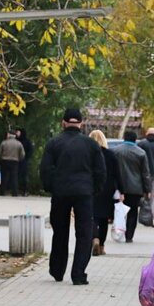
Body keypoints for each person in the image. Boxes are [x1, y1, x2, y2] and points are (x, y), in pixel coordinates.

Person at [40, 107, 106, 285]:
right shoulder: (91, 144)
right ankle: (78, 274)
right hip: (84, 193)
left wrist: (51, 187)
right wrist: (94, 190)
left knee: (60, 231)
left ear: (63, 123)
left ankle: (57, 270)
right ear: (81, 123)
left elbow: (45, 169)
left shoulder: (54, 143)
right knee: (84, 234)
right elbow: (100, 171)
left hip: (60, 193)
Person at [111, 130, 152, 242]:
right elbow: (145, 173)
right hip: (135, 187)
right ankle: (129, 236)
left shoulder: (115, 151)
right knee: (132, 212)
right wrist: (148, 189)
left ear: (124, 138)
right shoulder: (141, 153)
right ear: (135, 139)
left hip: (118, 187)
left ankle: (118, 231)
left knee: (119, 210)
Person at [89, 129, 119, 256]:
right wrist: (121, 190)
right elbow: (117, 174)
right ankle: (101, 245)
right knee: (104, 219)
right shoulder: (111, 155)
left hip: (91, 188)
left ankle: (94, 238)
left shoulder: (88, 154)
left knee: (93, 217)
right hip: (107, 190)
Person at [0, 130, 25, 196]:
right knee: (14, 177)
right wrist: (19, 159)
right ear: (15, 136)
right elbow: (23, 154)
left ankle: (2, 192)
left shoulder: (4, 143)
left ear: (9, 135)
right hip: (15, 161)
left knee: (4, 177)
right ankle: (15, 193)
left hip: (4, 160)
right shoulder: (19, 144)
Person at [15, 128, 34, 195]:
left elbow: (30, 150)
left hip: (24, 161)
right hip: (16, 160)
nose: (16, 133)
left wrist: (26, 158)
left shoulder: (27, 141)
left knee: (23, 176)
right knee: (16, 176)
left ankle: (24, 190)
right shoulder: (16, 141)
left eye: (18, 132)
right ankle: (16, 190)